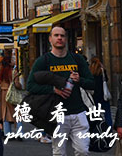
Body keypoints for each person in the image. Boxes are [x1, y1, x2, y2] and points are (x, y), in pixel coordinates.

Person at [27, 26, 94, 156]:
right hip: (56, 115)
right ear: (50, 39)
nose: (59, 38)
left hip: (78, 112)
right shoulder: (43, 61)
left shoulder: (77, 59)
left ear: (66, 39)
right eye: (56, 35)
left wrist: (79, 80)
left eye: (62, 36)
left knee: (83, 150)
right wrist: (53, 90)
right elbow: (31, 86)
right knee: (59, 153)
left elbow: (92, 83)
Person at [90, 56, 113, 126]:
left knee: (95, 112)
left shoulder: (90, 70)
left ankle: (98, 127)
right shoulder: (102, 70)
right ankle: (109, 127)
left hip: (94, 95)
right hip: (103, 94)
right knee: (107, 113)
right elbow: (106, 79)